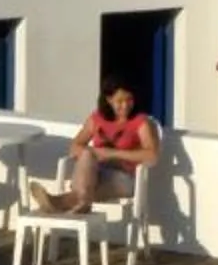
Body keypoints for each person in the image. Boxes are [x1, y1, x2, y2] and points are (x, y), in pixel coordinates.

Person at [30, 79, 158, 215]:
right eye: (120, 101)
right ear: (109, 100)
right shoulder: (97, 119)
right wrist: (94, 153)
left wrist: (111, 153)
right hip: (95, 172)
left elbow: (152, 156)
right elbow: (74, 147)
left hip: (124, 177)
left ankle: (58, 202)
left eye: (129, 100)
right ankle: (82, 202)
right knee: (86, 155)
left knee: (83, 187)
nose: (125, 105)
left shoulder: (140, 122)